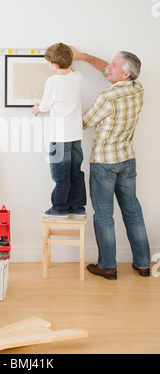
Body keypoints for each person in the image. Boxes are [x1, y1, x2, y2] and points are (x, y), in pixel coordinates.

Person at [71, 47, 151, 280]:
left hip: (104, 164)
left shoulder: (107, 97)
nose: (109, 67)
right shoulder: (138, 88)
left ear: (125, 74)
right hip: (127, 160)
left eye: (114, 66)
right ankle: (143, 264)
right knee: (133, 211)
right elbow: (109, 68)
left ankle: (108, 266)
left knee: (103, 215)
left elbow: (84, 122)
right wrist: (83, 56)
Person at [32, 43, 86, 219]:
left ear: (54, 65)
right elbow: (71, 70)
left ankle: (60, 208)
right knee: (75, 172)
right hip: (75, 135)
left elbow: (46, 106)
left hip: (59, 136)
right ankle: (77, 207)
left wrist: (36, 108)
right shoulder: (78, 77)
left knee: (60, 173)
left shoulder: (52, 81)